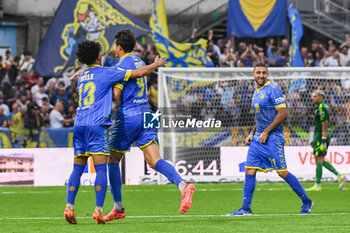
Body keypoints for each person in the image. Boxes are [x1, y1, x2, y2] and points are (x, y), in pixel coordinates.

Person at [64, 40, 166, 225]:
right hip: (99, 124)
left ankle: (69, 207)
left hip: (79, 124)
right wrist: (155, 64)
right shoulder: (108, 72)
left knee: (77, 169)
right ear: (98, 57)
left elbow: (91, 76)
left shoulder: (82, 76)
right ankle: (98, 211)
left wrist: (81, 71)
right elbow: (137, 73)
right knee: (103, 167)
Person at [102, 30, 195, 222]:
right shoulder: (138, 61)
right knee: (154, 160)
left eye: (113, 44)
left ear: (119, 46)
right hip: (148, 113)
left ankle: (118, 207)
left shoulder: (122, 65)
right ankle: (182, 185)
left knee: (112, 160)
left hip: (130, 115)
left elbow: (116, 96)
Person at [227, 63, 313, 216]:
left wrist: (266, 131)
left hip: (273, 137)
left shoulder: (273, 90)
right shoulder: (256, 92)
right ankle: (246, 208)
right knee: (250, 169)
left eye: (264, 72)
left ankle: (306, 201)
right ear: (253, 74)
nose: (261, 75)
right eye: (258, 72)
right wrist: (252, 132)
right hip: (258, 137)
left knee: (282, 172)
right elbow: (261, 118)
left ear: (267, 74)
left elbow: (283, 113)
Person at [307, 90, 346, 191]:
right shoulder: (321, 107)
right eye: (312, 96)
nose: (312, 98)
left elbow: (325, 124)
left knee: (319, 159)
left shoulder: (322, 107)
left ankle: (317, 185)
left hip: (321, 136)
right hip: (318, 136)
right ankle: (339, 176)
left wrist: (323, 140)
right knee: (319, 159)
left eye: (315, 96)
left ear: (321, 96)